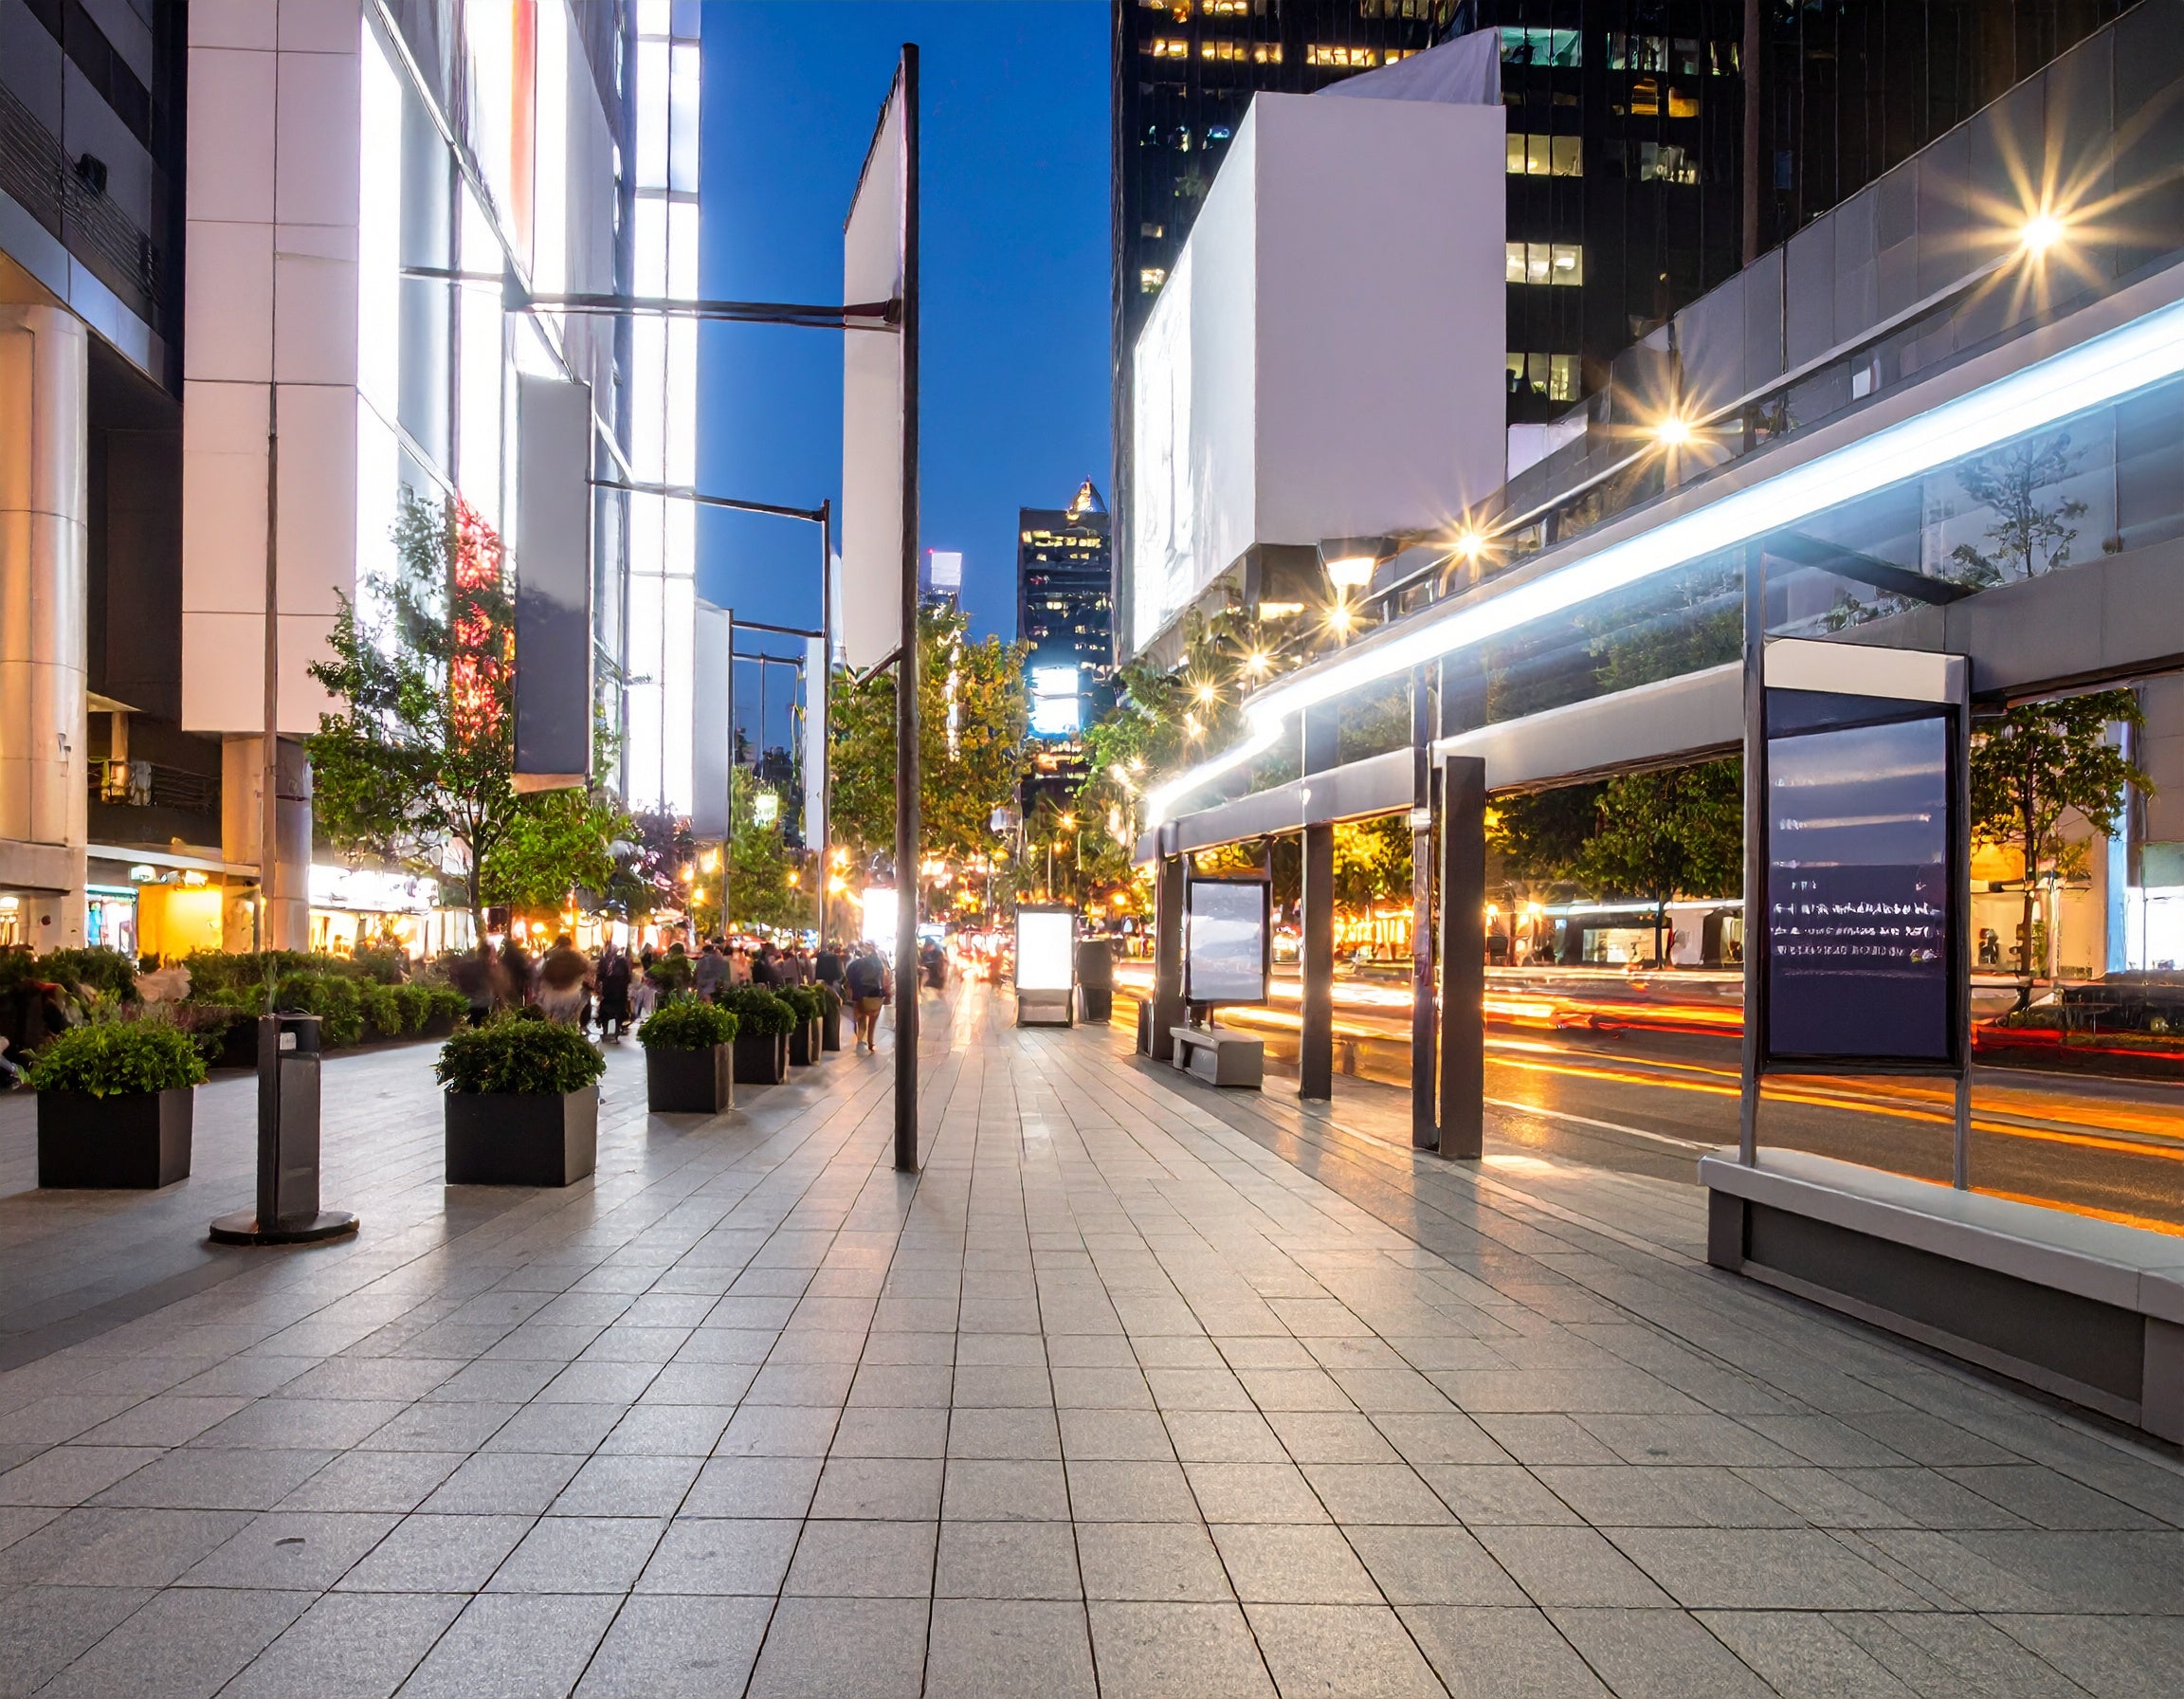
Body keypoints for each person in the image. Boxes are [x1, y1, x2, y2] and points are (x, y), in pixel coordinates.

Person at [845, 941, 889, 1052]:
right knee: (873, 1020)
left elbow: (849, 973)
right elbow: (884, 980)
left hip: (861, 994)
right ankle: (870, 1042)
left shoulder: (857, 963)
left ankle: (860, 1038)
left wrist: (852, 987)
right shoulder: (880, 963)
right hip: (875, 995)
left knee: (860, 1018)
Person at [537, 935, 590, 1025]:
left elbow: (542, 972)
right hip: (571, 993)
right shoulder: (575, 957)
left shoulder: (550, 956)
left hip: (553, 994)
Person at [449, 943, 496, 1026]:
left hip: (473, 1001)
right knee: (479, 1022)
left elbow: (458, 977)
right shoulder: (485, 967)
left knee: (476, 1021)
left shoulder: (470, 965)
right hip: (481, 1001)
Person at [597, 943, 632, 1040]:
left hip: (610, 993)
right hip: (617, 993)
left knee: (605, 1012)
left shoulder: (606, 961)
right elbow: (628, 977)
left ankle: (604, 1028)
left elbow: (600, 975)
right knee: (619, 1010)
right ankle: (618, 1028)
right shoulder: (621, 961)